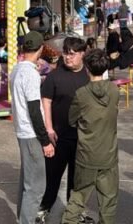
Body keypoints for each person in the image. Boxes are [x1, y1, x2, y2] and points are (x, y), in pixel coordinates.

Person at [62, 49, 119, 224]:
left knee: (78, 196)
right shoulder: (114, 90)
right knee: (108, 201)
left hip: (87, 153)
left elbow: (72, 119)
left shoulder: (82, 93)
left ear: (87, 68)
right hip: (108, 153)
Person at [38, 37, 91, 223]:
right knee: (52, 177)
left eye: (72, 54)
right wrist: (49, 128)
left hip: (81, 139)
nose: (68, 57)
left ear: (82, 54)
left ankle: (75, 211)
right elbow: (46, 102)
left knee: (77, 180)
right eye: (66, 53)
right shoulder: (54, 76)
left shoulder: (89, 76)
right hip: (58, 137)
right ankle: (44, 209)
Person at [10, 31, 55, 224]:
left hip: (22, 130)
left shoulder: (16, 69)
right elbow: (35, 110)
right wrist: (45, 141)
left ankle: (22, 218)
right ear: (40, 49)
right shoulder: (31, 74)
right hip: (31, 133)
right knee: (36, 187)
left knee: (27, 183)